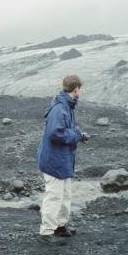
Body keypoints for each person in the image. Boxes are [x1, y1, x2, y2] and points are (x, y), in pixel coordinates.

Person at [36, 75, 89, 245]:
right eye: (81, 88)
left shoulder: (68, 106)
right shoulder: (60, 108)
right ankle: (46, 233)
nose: (81, 91)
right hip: (54, 160)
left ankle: (60, 226)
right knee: (54, 196)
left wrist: (80, 135)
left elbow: (69, 128)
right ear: (76, 88)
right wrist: (75, 136)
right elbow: (55, 133)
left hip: (63, 158)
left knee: (65, 194)